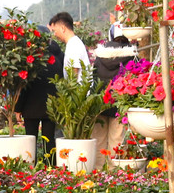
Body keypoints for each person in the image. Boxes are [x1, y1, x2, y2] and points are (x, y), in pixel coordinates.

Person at [15, 27, 62, 164]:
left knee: (31, 140)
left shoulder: (30, 60)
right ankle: (50, 169)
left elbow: (24, 87)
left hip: (30, 107)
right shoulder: (58, 57)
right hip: (51, 106)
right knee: (49, 140)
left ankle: (31, 167)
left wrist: (18, 108)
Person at [91, 24, 137, 157]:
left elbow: (94, 79)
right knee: (117, 142)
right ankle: (116, 173)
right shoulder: (132, 56)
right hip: (121, 105)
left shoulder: (100, 56)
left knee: (98, 142)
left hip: (100, 104)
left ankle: (98, 173)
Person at [48, 11, 90, 78]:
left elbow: (74, 73)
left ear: (63, 28)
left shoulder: (73, 45)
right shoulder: (73, 43)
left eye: (54, 31)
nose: (54, 34)